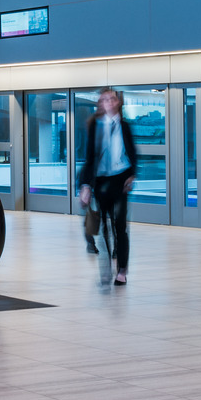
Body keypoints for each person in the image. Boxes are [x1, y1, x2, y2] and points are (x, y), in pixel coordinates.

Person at [76, 88, 138, 285]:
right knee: (103, 227)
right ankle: (106, 267)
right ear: (100, 104)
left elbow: (133, 152)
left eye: (112, 99)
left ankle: (122, 270)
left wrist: (133, 175)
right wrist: (85, 185)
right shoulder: (95, 126)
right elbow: (89, 158)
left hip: (120, 180)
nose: (108, 102)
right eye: (104, 100)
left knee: (120, 226)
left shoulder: (125, 126)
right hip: (101, 181)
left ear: (117, 102)